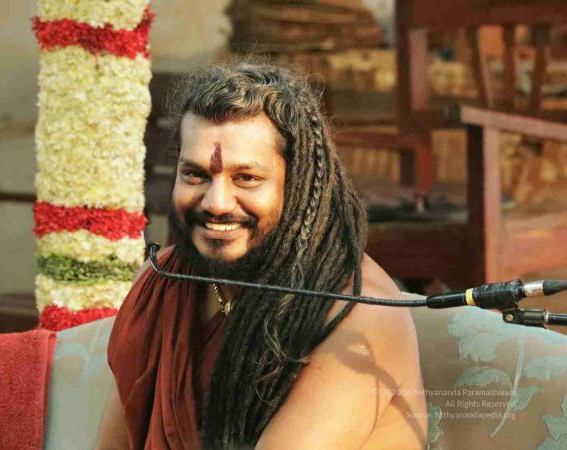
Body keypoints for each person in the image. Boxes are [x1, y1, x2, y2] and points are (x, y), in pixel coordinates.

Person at [96, 61, 427, 449]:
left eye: (246, 178)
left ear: (297, 183)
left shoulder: (355, 315)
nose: (217, 203)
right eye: (195, 175)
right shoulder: (162, 283)